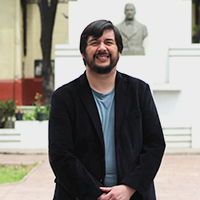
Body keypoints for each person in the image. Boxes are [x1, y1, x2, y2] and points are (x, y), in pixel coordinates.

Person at [49, 20, 165, 200]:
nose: (102, 48)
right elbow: (61, 156)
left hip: (132, 195)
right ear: (82, 53)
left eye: (108, 42)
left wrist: (128, 188)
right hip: (78, 195)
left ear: (119, 51)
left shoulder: (139, 91)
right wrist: (98, 194)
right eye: (94, 42)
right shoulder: (64, 98)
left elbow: (154, 145)